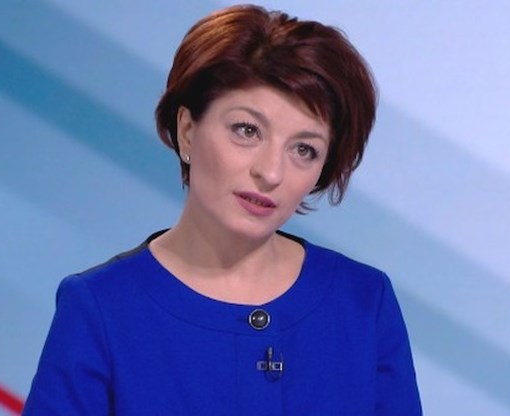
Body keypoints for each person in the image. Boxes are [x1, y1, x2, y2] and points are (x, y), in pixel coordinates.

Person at [23, 4, 422, 415]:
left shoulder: (363, 302)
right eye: (246, 130)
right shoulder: (101, 308)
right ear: (187, 131)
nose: (271, 172)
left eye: (304, 149)